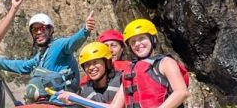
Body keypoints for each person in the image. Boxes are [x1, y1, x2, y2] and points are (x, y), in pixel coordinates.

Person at [55, 19, 189, 108]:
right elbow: (113, 107)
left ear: (153, 39)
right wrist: (75, 99)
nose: (138, 44)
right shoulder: (129, 70)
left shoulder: (165, 62)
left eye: (142, 38)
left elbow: (181, 92)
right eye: (133, 42)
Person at [0, 0, 95, 103]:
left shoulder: (59, 45)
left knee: (37, 85)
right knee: (33, 87)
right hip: (47, 101)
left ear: (50, 30)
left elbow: (72, 42)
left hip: (63, 100)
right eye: (35, 30)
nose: (39, 32)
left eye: (43, 28)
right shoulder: (40, 57)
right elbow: (21, 66)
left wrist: (85, 30)